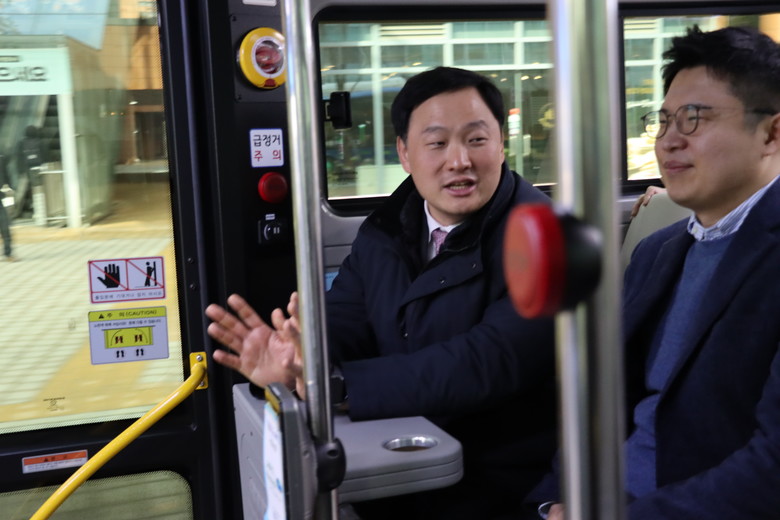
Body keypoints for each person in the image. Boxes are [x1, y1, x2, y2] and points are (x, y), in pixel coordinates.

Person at [206, 66, 557, 520]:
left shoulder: (544, 237)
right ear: (405, 154)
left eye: (476, 139)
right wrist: (298, 358)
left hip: (497, 481)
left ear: (501, 143)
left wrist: (333, 386)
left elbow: (484, 363)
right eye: (437, 143)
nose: (459, 161)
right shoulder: (389, 226)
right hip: (406, 462)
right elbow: (348, 316)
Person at [534, 25, 780, 519]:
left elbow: (771, 468)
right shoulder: (657, 252)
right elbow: (600, 403)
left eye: (693, 119)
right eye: (663, 121)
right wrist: (557, 499)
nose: (668, 141)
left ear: (771, 133)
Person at [0, 152, 15, 261]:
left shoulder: (1, 157)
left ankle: (8, 253)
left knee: (5, 226)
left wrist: (9, 188)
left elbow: (6, 176)